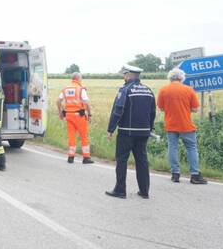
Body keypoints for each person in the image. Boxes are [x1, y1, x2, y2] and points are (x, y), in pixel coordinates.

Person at [105, 65, 156, 199]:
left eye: (124, 74)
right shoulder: (148, 90)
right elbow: (152, 113)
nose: (123, 77)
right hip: (143, 132)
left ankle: (120, 190)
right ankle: (144, 191)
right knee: (142, 161)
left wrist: (111, 129)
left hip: (126, 132)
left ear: (128, 75)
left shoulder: (125, 90)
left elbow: (118, 110)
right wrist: (149, 129)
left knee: (122, 160)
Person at [157, 68, 208, 184]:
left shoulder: (163, 90)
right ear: (181, 77)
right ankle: (195, 175)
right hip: (186, 125)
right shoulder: (189, 90)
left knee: (172, 148)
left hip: (170, 124)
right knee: (191, 148)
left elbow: (161, 107)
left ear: (170, 77)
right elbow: (195, 109)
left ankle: (175, 174)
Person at [56, 72, 94, 164]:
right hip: (79, 116)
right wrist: (89, 114)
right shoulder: (81, 89)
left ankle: (71, 157)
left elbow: (58, 101)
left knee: (71, 136)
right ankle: (86, 158)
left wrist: (60, 112)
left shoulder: (65, 89)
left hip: (68, 116)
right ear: (78, 79)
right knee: (84, 136)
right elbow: (87, 103)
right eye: (81, 78)